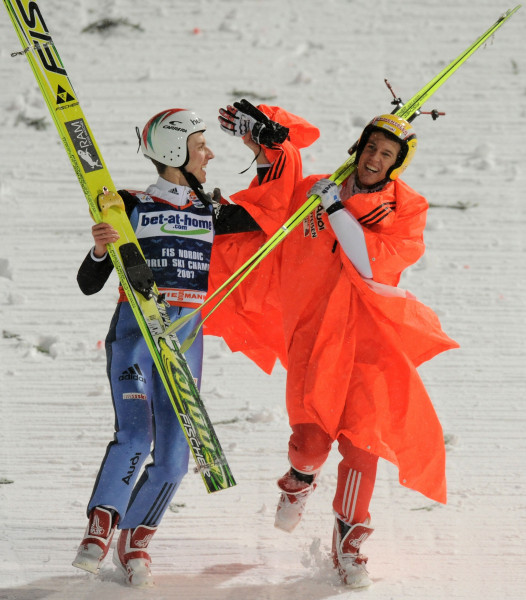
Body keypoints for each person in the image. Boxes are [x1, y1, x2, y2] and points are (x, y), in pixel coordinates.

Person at [205, 102, 459, 588]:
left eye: (387, 154)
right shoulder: (311, 190)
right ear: (358, 147)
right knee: (311, 443)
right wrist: (265, 142)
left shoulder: (404, 207)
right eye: (370, 147)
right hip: (311, 336)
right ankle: (299, 480)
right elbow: (268, 200)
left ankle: (350, 544)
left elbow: (370, 263)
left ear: (397, 162)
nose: (374, 159)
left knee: (363, 444)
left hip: (367, 340)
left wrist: (336, 209)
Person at [72, 108, 259, 587]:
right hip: (135, 338)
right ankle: (101, 524)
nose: (209, 154)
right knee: (136, 434)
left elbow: (271, 212)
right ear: (176, 153)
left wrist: (268, 146)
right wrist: (100, 248)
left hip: (184, 341)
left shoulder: (211, 211)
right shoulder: (129, 206)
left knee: (176, 455)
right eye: (201, 147)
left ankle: (135, 538)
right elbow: (89, 283)